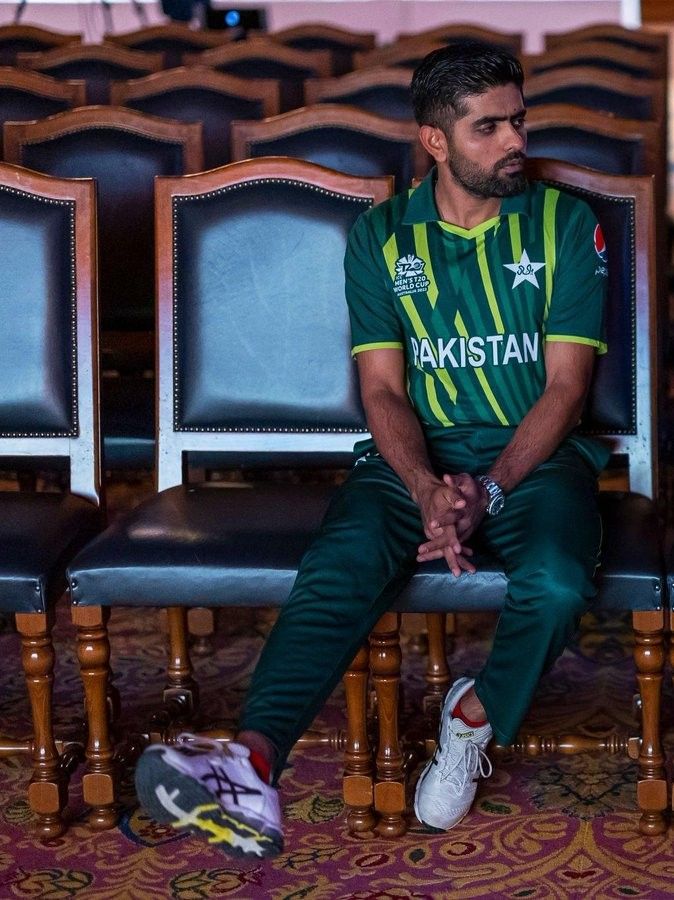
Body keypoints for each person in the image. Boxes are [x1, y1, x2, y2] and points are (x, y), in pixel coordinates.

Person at [134, 41, 609, 858]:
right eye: (488, 128)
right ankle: (250, 763)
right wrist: (427, 485)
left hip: (534, 460)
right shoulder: (382, 239)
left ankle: (470, 718)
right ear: (435, 139)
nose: (514, 143)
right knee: (340, 566)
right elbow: (384, 393)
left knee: (561, 582)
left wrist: (486, 490)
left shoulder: (564, 222)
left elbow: (566, 389)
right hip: (410, 462)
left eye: (518, 121)